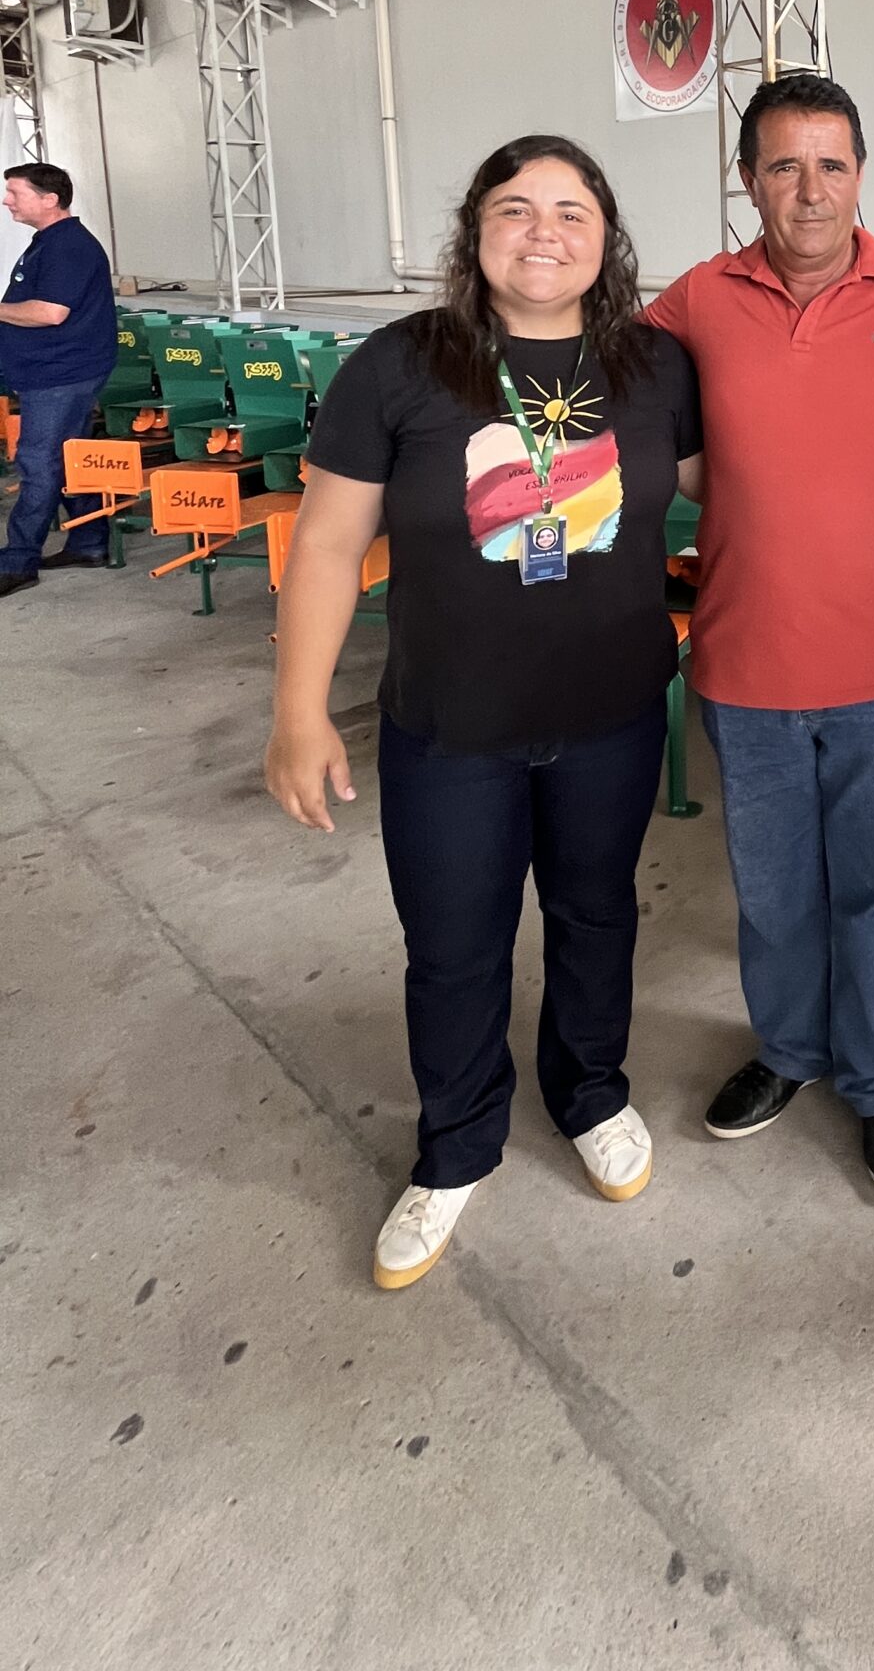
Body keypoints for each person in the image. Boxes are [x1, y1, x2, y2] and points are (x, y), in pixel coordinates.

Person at [264, 136, 702, 1290]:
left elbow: (737, 490)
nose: (542, 230)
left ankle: (590, 1091)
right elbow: (327, 544)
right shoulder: (401, 365)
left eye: (570, 210)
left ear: (607, 237)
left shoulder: (656, 367)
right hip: (449, 729)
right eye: (515, 207)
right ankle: (456, 1142)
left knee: (597, 917)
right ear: (474, 232)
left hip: (611, 720)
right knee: (454, 946)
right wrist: (298, 711)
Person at [646, 73, 874, 1203]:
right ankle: (787, 1051)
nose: (811, 191)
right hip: (746, 662)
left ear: (862, 175)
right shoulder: (697, 298)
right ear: (749, 180)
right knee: (774, 891)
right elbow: (606, 383)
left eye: (832, 165)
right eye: (784, 166)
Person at [0, 162, 117, 596]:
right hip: (50, 371)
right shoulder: (50, 242)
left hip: (61, 374)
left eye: (15, 192)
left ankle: (17, 562)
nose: (7, 201)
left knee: (38, 463)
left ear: (50, 199)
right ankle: (89, 542)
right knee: (69, 459)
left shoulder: (68, 247)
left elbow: (51, 312)